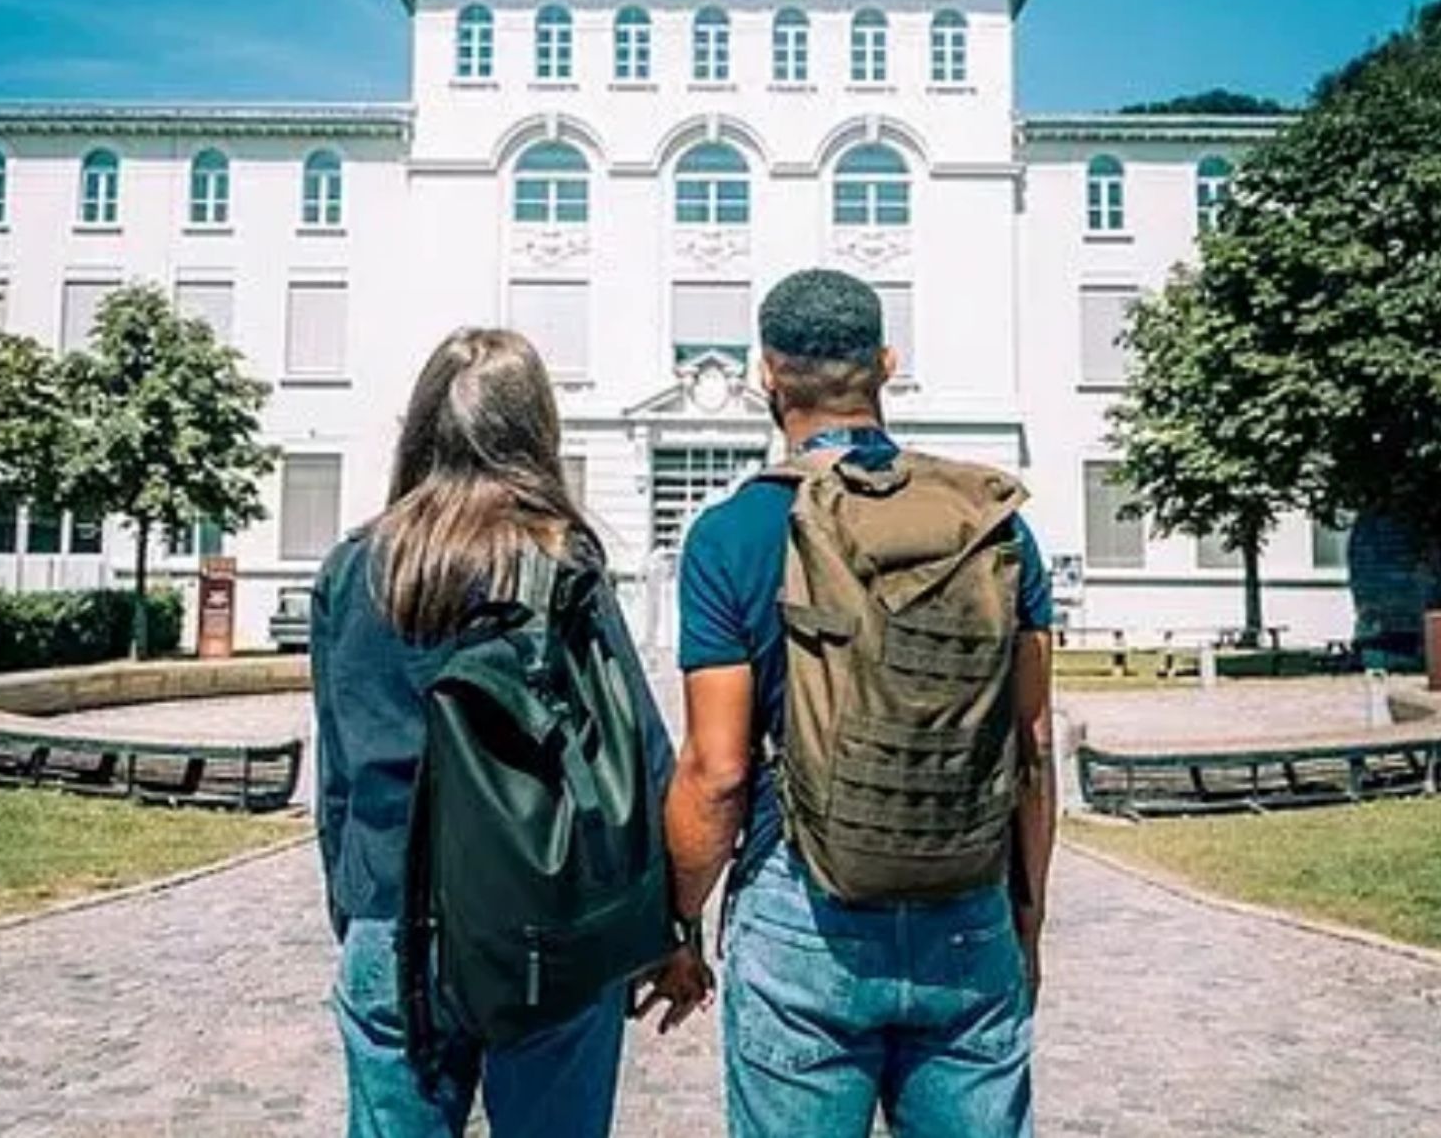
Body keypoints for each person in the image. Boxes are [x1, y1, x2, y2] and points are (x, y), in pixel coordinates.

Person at [653, 269, 1056, 1137]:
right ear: (885, 363)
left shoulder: (730, 535)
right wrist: (1026, 918)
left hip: (802, 910)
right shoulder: (996, 527)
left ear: (768, 374)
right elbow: (1032, 749)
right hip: (968, 901)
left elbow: (717, 771)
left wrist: (678, 921)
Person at [309, 327, 686, 1138]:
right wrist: (665, 927)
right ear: (534, 432)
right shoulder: (559, 560)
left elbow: (337, 776)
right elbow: (644, 755)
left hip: (390, 918)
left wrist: (357, 912)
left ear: (421, 428)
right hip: (545, 917)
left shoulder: (351, 568)